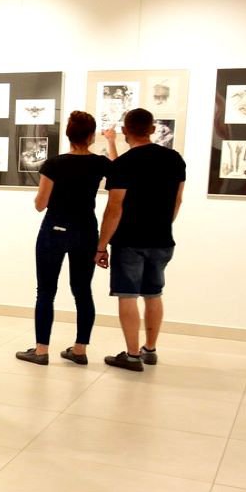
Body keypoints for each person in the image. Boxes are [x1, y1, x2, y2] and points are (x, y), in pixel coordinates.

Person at [16, 111, 116, 366]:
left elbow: (40, 204)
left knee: (46, 291)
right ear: (91, 136)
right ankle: (80, 349)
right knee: (82, 291)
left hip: (54, 230)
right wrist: (111, 141)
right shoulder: (100, 163)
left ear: (68, 135)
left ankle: (41, 350)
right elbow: (119, 173)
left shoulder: (54, 164)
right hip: (86, 231)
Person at [95, 107, 185, 371]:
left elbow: (114, 208)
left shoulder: (124, 164)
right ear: (152, 129)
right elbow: (178, 200)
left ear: (125, 130)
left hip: (129, 240)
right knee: (153, 294)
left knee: (127, 295)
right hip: (162, 238)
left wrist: (101, 246)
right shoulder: (174, 159)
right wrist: (163, 225)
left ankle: (132, 355)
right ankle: (150, 349)